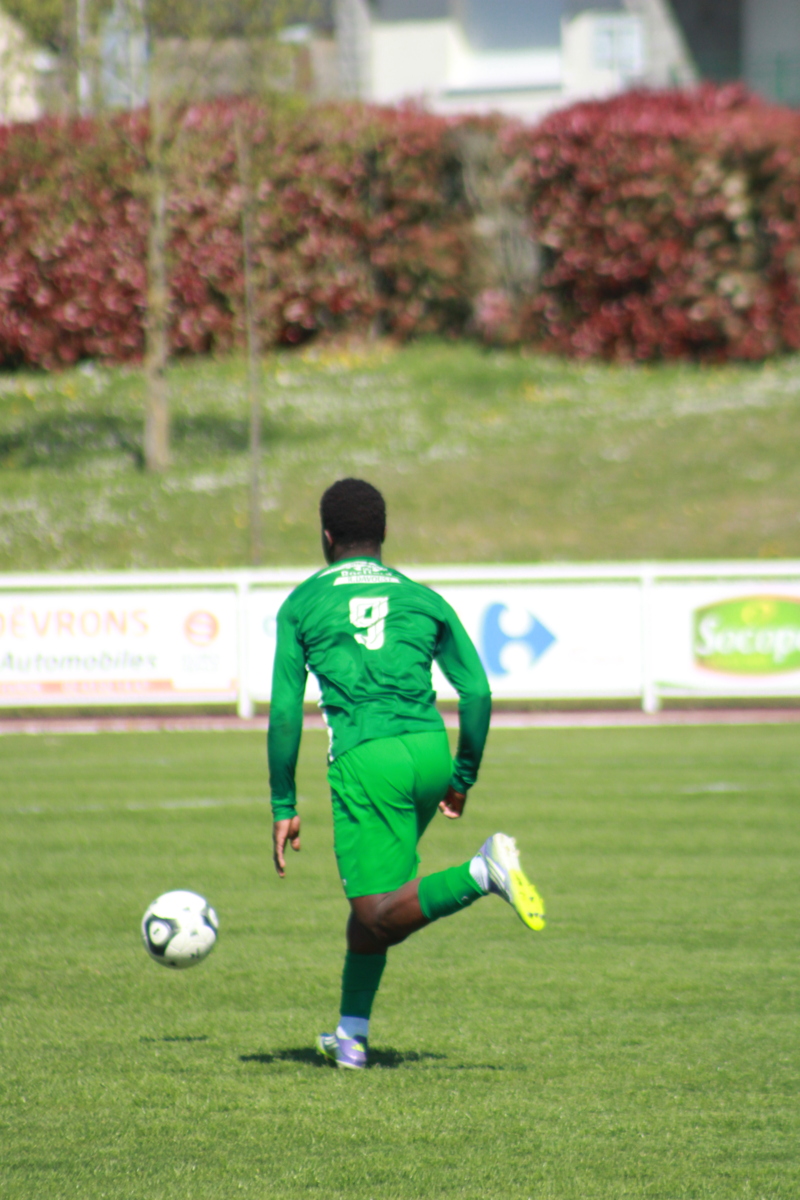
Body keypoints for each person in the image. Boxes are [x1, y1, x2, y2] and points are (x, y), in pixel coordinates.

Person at [268, 478, 545, 1070]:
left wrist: (283, 802)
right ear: (384, 533)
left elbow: (286, 710)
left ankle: (482, 871)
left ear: (326, 536)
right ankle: (350, 1037)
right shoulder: (423, 598)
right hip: (429, 751)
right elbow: (477, 692)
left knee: (377, 910)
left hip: (369, 759)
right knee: (373, 906)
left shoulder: (302, 602)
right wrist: (462, 776)